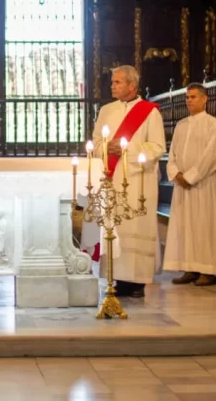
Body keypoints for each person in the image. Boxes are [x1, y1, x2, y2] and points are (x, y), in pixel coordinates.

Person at [92, 65, 166, 298]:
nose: (112, 86)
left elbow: (157, 147)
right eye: (112, 82)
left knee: (137, 225)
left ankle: (138, 282)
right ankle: (115, 278)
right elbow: (95, 143)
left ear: (132, 85)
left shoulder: (150, 112)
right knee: (115, 228)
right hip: (112, 178)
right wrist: (106, 148)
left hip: (138, 179)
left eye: (117, 82)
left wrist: (126, 148)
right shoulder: (106, 110)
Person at [163, 83, 216, 286]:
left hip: (202, 184)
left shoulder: (213, 125)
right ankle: (189, 267)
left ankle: (208, 270)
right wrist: (176, 174)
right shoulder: (181, 125)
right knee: (184, 226)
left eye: (193, 97)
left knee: (204, 225)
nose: (189, 100)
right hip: (181, 185)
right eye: (187, 97)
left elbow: (213, 155)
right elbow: (172, 153)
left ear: (204, 99)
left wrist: (191, 176)